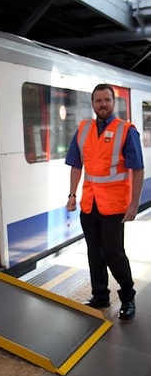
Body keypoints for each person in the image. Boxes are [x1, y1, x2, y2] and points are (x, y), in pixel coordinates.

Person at [65, 83, 144, 321]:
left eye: (107, 100)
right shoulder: (83, 129)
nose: (103, 105)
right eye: (98, 101)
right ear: (93, 104)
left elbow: (138, 170)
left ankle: (128, 296)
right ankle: (100, 295)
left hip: (114, 206)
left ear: (113, 103)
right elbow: (76, 165)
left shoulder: (126, 130)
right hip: (89, 203)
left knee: (113, 253)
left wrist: (134, 205)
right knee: (94, 253)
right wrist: (72, 195)